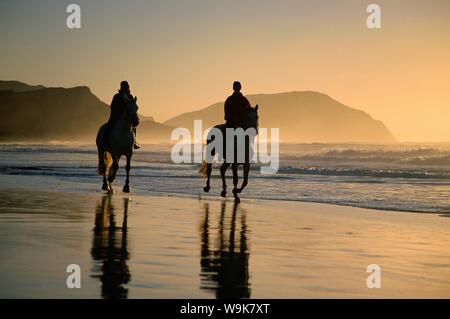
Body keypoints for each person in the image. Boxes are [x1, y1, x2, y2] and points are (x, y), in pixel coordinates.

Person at [104, 81, 140, 149]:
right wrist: (119, 111)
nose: (125, 88)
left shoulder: (130, 96)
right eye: (124, 87)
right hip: (116, 116)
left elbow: (131, 106)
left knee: (133, 127)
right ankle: (105, 141)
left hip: (127, 117)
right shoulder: (117, 96)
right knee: (109, 126)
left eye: (126, 86)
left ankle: (134, 142)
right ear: (121, 87)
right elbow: (112, 107)